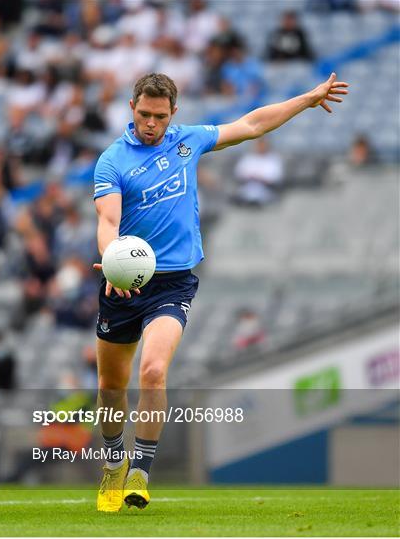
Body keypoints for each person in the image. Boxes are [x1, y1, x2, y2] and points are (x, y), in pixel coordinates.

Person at [92, 72, 348, 512]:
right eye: (143, 114)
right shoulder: (112, 160)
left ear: (174, 114)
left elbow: (251, 125)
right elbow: (108, 221)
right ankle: (114, 460)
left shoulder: (188, 140)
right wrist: (113, 259)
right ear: (131, 109)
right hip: (123, 283)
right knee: (111, 386)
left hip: (173, 282)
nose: (150, 123)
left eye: (159, 116)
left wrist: (306, 98)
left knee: (153, 372)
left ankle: (139, 472)